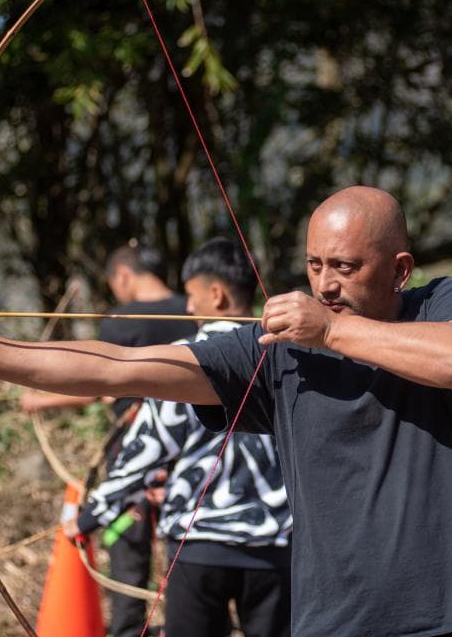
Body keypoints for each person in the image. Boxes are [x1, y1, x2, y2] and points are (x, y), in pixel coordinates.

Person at [0, 185, 452, 637]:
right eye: (315, 265)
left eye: (346, 268)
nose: (325, 284)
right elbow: (121, 366)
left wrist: (328, 332)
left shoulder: (440, 303)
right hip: (333, 624)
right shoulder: (278, 353)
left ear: (400, 270)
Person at [71, 237, 292, 637]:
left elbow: (147, 447)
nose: (188, 308)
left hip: (199, 547)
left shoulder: (189, 355)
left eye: (192, 297)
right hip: (276, 546)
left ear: (217, 295)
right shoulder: (289, 354)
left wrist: (89, 516)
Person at [21, 242, 196, 637]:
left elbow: (99, 383)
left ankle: (129, 627)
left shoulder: (123, 318)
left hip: (135, 449)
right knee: (182, 542)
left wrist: (40, 400)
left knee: (126, 535)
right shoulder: (193, 309)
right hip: (191, 450)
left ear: (123, 275)